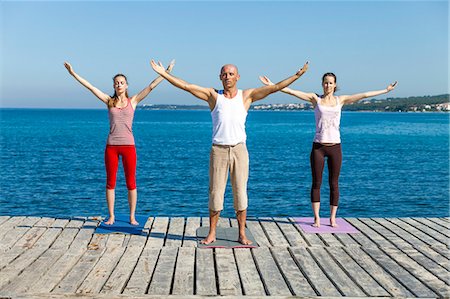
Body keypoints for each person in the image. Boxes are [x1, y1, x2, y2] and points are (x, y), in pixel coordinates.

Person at [151, 59, 309, 244]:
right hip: (218, 150)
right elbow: (186, 86)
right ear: (220, 77)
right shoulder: (213, 96)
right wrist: (163, 73)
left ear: (238, 77)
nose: (228, 77)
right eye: (224, 74)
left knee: (240, 192)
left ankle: (241, 233)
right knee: (216, 193)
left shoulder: (246, 96)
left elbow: (274, 88)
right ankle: (212, 233)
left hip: (239, 150)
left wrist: (297, 76)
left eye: (231, 74)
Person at [260, 72, 397, 228]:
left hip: (335, 147)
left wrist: (385, 91)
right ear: (322, 84)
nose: (328, 85)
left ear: (335, 85)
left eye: (331, 83)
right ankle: (317, 218)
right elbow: (292, 92)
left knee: (334, 183)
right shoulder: (315, 99)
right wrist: (272, 85)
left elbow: (363, 95)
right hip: (318, 147)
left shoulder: (341, 100)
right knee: (316, 183)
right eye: (325, 83)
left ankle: (332, 218)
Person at [64, 60, 175, 225]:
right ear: (114, 86)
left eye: (122, 82)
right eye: (116, 83)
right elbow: (90, 87)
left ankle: (132, 216)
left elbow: (151, 86)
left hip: (129, 146)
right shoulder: (109, 101)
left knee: (131, 182)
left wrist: (166, 71)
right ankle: (111, 216)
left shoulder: (134, 101)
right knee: (111, 182)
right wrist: (73, 73)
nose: (119, 84)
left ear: (127, 85)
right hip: (111, 147)